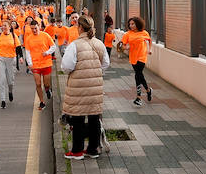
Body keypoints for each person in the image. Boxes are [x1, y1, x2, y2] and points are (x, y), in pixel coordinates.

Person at [61, 15, 109, 159]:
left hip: (78, 87)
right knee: (94, 117)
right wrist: (95, 72)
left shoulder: (74, 45)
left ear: (80, 27)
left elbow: (66, 66)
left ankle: (77, 151)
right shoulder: (99, 43)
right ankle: (93, 149)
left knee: (78, 118)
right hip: (95, 86)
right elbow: (106, 64)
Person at [21, 18, 57, 110]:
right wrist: (29, 63)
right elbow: (27, 52)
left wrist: (47, 52)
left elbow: (53, 46)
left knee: (46, 84)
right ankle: (42, 101)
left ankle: (47, 90)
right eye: (32, 28)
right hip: (35, 64)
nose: (34, 30)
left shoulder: (45, 35)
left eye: (35, 28)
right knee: (37, 84)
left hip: (46, 63)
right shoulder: (29, 38)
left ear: (39, 27)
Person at [118, 16, 154, 106]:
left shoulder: (144, 33)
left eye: (133, 24)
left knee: (138, 74)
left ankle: (139, 97)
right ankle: (148, 90)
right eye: (130, 24)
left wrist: (150, 50)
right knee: (139, 75)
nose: (131, 25)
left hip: (142, 56)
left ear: (138, 24)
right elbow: (123, 45)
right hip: (133, 57)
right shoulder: (128, 34)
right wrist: (125, 47)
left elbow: (150, 41)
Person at [0, 19, 20, 108]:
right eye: (2, 25)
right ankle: (3, 100)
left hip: (11, 59)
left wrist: (21, 57)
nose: (3, 27)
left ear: (9, 27)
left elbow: (18, 48)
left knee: (10, 80)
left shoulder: (14, 36)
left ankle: (10, 91)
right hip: (0, 59)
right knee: (1, 80)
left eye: (5, 25)